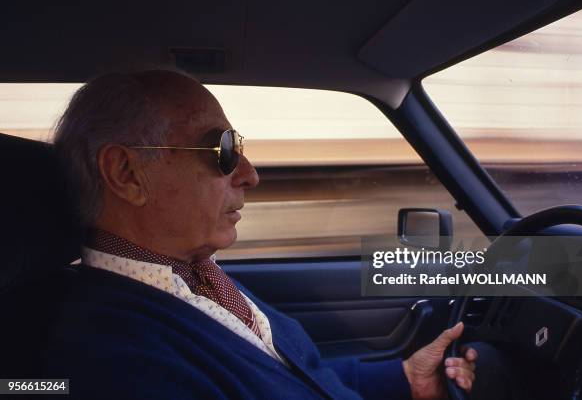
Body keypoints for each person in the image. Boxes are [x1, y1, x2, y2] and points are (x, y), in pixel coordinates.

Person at [45, 69, 478, 400]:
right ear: (127, 174)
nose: (250, 174)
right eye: (224, 150)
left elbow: (292, 378)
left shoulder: (194, 275)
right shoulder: (115, 360)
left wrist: (406, 379)